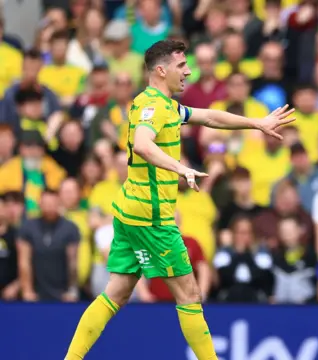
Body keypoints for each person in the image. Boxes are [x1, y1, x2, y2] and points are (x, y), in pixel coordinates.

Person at [64, 39, 295, 360]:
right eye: (181, 66)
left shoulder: (163, 104)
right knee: (189, 294)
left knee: (116, 292)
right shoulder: (153, 108)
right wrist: (180, 167)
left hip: (130, 209)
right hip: (152, 217)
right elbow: (144, 144)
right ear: (161, 70)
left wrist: (257, 123)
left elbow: (210, 117)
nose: (188, 71)